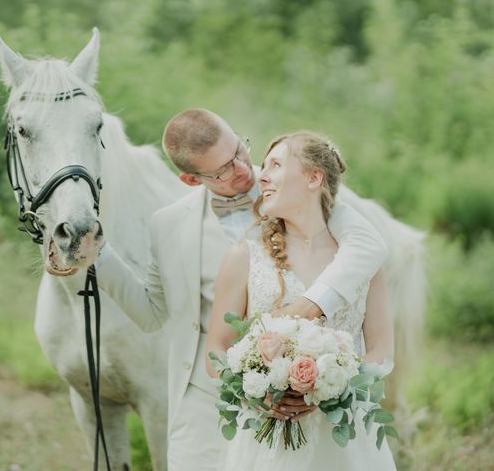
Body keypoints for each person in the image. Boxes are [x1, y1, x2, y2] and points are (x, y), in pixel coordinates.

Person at [95, 109, 389, 470]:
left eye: (239, 151)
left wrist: (314, 321)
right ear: (190, 179)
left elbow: (370, 248)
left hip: (323, 412)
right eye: (223, 170)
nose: (244, 169)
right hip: (204, 396)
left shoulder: (309, 195)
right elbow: (153, 313)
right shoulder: (168, 225)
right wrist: (98, 256)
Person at [206, 131, 396, 470]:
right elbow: (215, 352)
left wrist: (333, 388)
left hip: (345, 442)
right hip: (269, 446)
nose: (261, 175)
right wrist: (258, 392)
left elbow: (381, 350)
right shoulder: (243, 258)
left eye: (276, 165)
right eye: (263, 166)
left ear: (314, 177)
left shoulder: (361, 263)